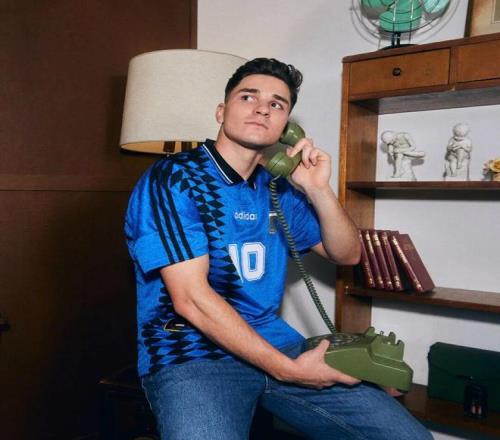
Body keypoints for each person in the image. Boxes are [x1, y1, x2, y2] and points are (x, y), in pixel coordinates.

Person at [125, 58, 432, 439]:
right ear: (221, 111)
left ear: (286, 127)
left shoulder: (278, 188)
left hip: (276, 341)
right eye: (248, 97)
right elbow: (190, 299)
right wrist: (287, 370)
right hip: (192, 351)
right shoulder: (174, 178)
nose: (261, 109)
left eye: (276, 104)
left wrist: (318, 189)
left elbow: (348, 254)